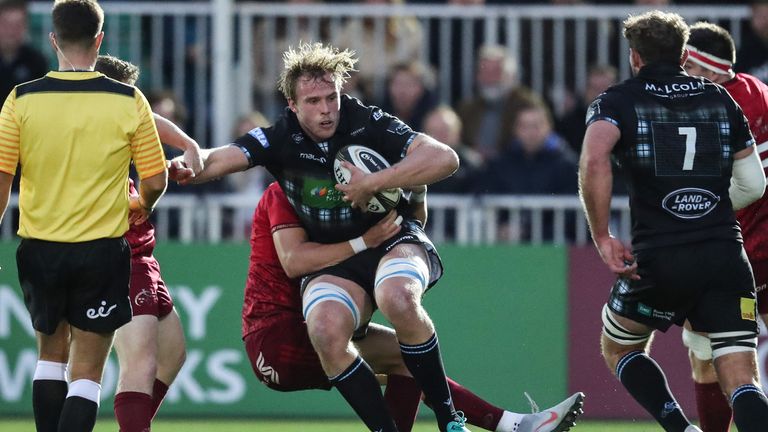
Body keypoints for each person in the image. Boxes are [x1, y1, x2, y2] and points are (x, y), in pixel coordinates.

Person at [170, 41, 582, 432]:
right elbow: (219, 158)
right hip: (330, 276)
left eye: (331, 97)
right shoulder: (279, 141)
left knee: (398, 297)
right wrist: (189, 164)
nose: (327, 109)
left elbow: (445, 158)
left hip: (392, 240)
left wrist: (376, 182)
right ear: (293, 106)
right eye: (313, 102)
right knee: (330, 329)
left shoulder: (367, 119)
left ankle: (450, 420)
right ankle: (505, 424)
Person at [244, 181, 585, 432]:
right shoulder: (287, 191)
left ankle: (516, 425)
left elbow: (409, 224)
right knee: (408, 356)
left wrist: (416, 190)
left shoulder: (346, 188)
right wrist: (366, 242)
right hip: (276, 339)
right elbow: (294, 263)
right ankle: (513, 425)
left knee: (411, 359)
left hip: (308, 325)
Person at [579, 10, 768, 432]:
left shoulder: (617, 101)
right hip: (726, 257)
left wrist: (603, 234)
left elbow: (594, 160)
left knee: (620, 348)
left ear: (635, 57)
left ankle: (681, 428)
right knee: (742, 380)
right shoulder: (723, 99)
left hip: (659, 258)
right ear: (684, 55)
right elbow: (754, 183)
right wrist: (712, 209)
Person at [0, 1, 168, 432]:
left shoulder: (20, 99)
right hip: (100, 251)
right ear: (100, 40)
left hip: (40, 248)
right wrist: (141, 206)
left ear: (53, 40)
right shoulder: (129, 99)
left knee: (49, 359)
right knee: (87, 374)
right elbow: (154, 178)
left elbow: (1, 181)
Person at [94, 54, 202, 432]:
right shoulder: (87, 136)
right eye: (129, 98)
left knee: (173, 354)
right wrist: (142, 199)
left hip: (141, 252)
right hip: (118, 253)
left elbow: (149, 121)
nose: (135, 106)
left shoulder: (113, 119)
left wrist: (186, 143)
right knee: (139, 365)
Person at [681, 21, 768, 432]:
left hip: (728, 248)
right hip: (758, 243)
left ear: (709, 70)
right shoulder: (758, 89)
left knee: (706, 353)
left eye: (687, 67)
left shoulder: (712, 106)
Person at [0, 0, 49, 100]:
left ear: (25, 27)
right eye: (6, 24)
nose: (11, 31)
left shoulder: (37, 62)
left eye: (17, 25)